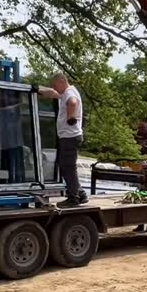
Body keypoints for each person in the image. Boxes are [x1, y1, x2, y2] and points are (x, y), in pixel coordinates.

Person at [36, 73, 88, 207]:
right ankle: (80, 193)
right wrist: (37, 89)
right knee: (63, 165)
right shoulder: (65, 93)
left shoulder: (69, 93)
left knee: (68, 167)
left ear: (61, 81)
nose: (54, 88)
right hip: (68, 137)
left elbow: (72, 102)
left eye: (55, 85)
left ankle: (74, 198)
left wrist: (71, 117)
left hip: (70, 137)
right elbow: (53, 93)